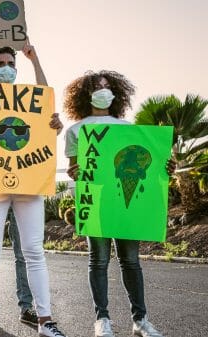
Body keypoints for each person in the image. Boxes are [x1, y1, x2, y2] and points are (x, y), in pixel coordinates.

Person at [0, 40, 67, 337]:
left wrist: (35, 60)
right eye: (1, 64)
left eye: (11, 64)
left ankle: (46, 321)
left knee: (34, 251)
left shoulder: (31, 98)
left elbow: (45, 98)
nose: (7, 68)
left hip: (28, 181)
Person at [64, 70, 174, 337]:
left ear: (116, 94)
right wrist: (75, 173)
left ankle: (141, 320)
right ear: (85, 94)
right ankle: (102, 320)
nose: (104, 91)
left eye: (108, 86)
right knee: (98, 261)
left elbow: (150, 163)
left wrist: (166, 166)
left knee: (131, 261)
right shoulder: (75, 131)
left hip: (128, 205)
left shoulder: (128, 128)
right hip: (97, 202)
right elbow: (75, 170)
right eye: (98, 87)